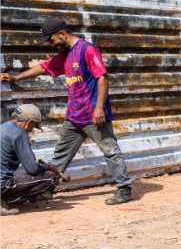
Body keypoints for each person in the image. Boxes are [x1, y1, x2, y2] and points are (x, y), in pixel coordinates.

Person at [1, 17, 133, 205]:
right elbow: (44, 67)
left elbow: (102, 78)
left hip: (93, 115)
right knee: (61, 155)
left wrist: (99, 109)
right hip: (74, 116)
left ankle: (124, 188)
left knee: (110, 151)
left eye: (51, 39)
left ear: (62, 34)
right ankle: (47, 188)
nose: (51, 43)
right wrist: (16, 78)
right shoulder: (65, 55)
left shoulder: (87, 50)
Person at [1, 104, 67, 214]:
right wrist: (48, 167)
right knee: (51, 177)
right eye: (34, 125)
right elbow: (32, 169)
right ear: (29, 122)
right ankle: (6, 201)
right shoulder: (19, 134)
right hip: (2, 184)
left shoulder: (3, 127)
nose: (32, 129)